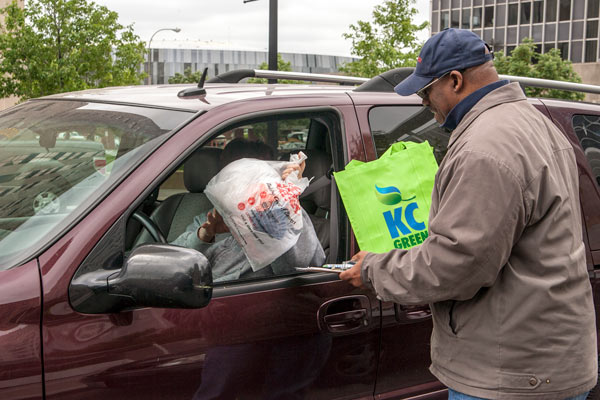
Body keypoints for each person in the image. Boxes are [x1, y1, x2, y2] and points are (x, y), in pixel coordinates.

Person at [339, 28, 597, 400]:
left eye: (427, 91)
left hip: (511, 376)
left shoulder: (485, 148)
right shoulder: (534, 123)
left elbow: (457, 264)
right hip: (545, 360)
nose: (426, 103)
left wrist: (374, 269)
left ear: (455, 80)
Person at [172, 138, 325, 282]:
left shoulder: (290, 219)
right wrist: (204, 236)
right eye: (231, 176)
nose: (240, 184)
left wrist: (275, 211)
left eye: (251, 176)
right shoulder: (210, 218)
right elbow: (172, 263)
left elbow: (297, 270)